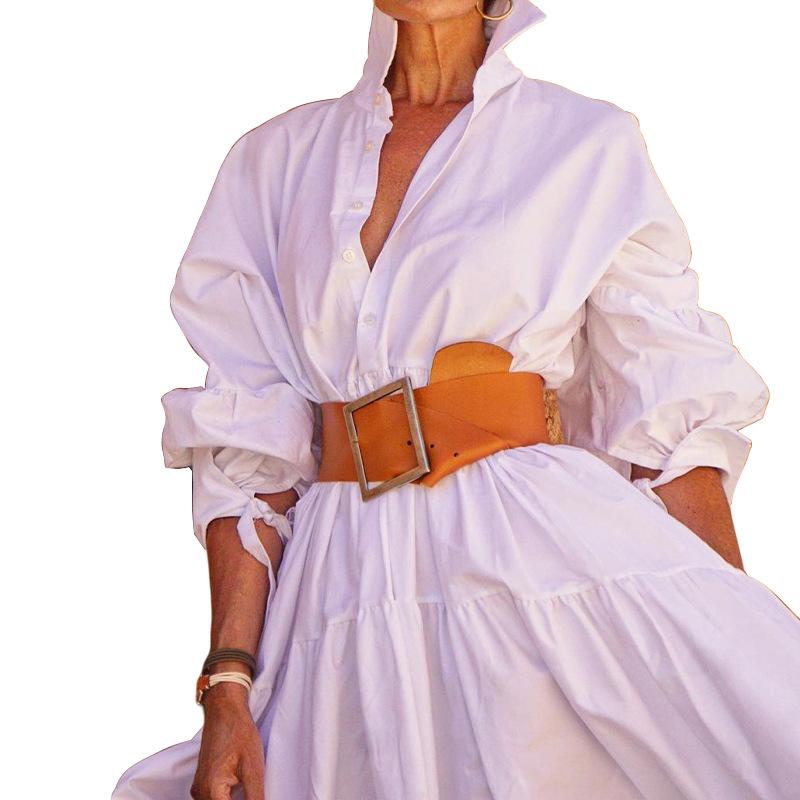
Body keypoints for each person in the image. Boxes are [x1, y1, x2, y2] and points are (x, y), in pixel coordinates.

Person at [112, 1, 800, 798]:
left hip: (532, 568)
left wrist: (732, 656)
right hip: (340, 597)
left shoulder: (585, 143)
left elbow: (667, 410)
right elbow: (248, 449)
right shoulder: (273, 164)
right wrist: (227, 684)